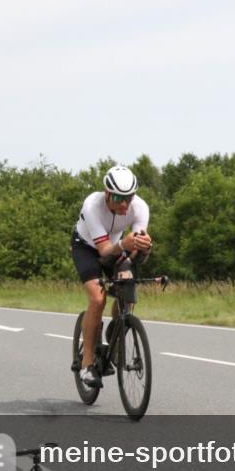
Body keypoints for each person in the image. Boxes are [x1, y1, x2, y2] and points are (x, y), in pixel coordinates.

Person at [71, 166, 153, 388]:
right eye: (118, 197)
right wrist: (124, 245)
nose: (124, 204)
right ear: (107, 193)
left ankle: (116, 326)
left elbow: (133, 249)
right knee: (98, 299)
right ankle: (87, 364)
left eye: (129, 197)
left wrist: (142, 248)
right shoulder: (92, 206)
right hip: (87, 247)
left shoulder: (140, 208)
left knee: (127, 290)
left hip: (116, 246)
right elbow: (105, 251)